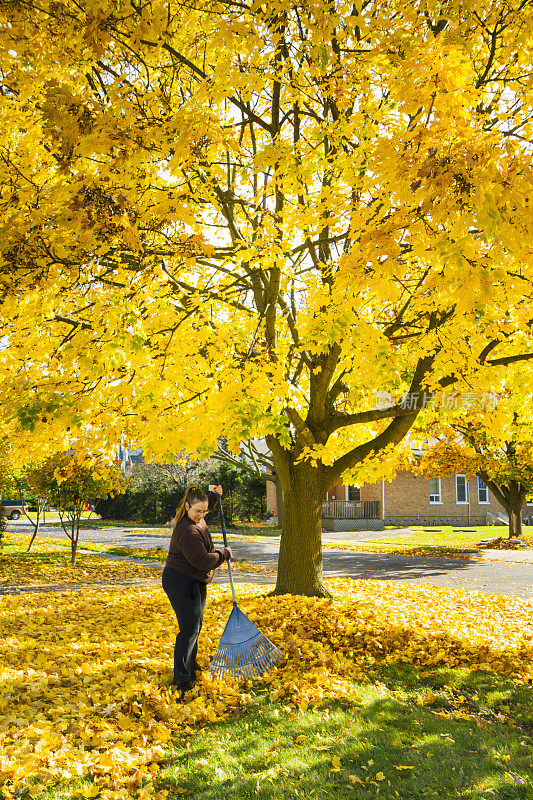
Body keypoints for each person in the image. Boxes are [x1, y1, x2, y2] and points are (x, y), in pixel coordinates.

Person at [162, 485, 232, 696]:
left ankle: (189, 668)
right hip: (180, 581)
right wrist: (224, 554)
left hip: (194, 580)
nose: (201, 514)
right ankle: (182, 679)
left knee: (195, 627)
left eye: (204, 511)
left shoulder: (198, 518)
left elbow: (208, 503)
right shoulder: (187, 530)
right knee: (188, 629)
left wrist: (215, 495)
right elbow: (202, 561)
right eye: (197, 511)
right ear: (187, 507)